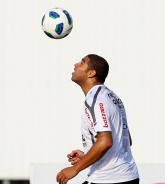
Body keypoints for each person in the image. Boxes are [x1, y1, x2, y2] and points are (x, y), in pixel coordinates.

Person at [56, 54, 139, 184]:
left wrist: (76, 168)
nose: (76, 64)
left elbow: (105, 141)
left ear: (91, 73)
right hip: (129, 176)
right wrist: (88, 154)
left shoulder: (95, 100)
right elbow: (126, 139)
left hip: (108, 179)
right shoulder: (112, 97)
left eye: (82, 62)